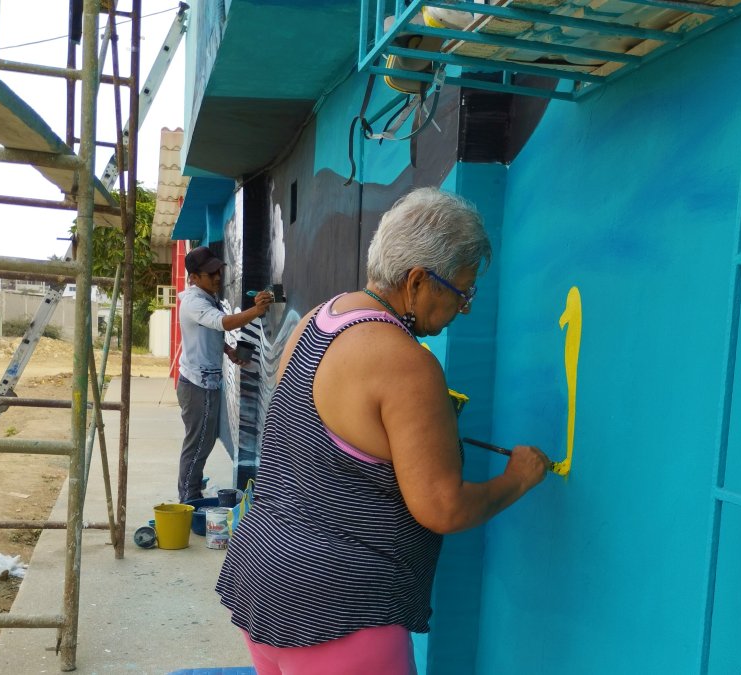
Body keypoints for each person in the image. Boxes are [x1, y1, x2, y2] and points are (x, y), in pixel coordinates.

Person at [216, 188, 550, 675]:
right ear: (418, 280)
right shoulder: (406, 363)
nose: (465, 308)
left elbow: (321, 443)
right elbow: (443, 506)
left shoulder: (318, 321)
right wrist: (518, 478)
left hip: (263, 576)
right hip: (338, 610)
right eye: (463, 291)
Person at [176, 245, 273, 503]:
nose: (218, 276)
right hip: (198, 385)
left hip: (202, 381)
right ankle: (188, 499)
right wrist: (256, 311)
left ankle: (191, 491)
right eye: (210, 274)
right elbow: (222, 323)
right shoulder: (195, 302)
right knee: (197, 445)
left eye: (218, 270)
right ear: (194, 277)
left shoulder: (207, 296)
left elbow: (209, 333)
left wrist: (228, 350)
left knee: (202, 443)